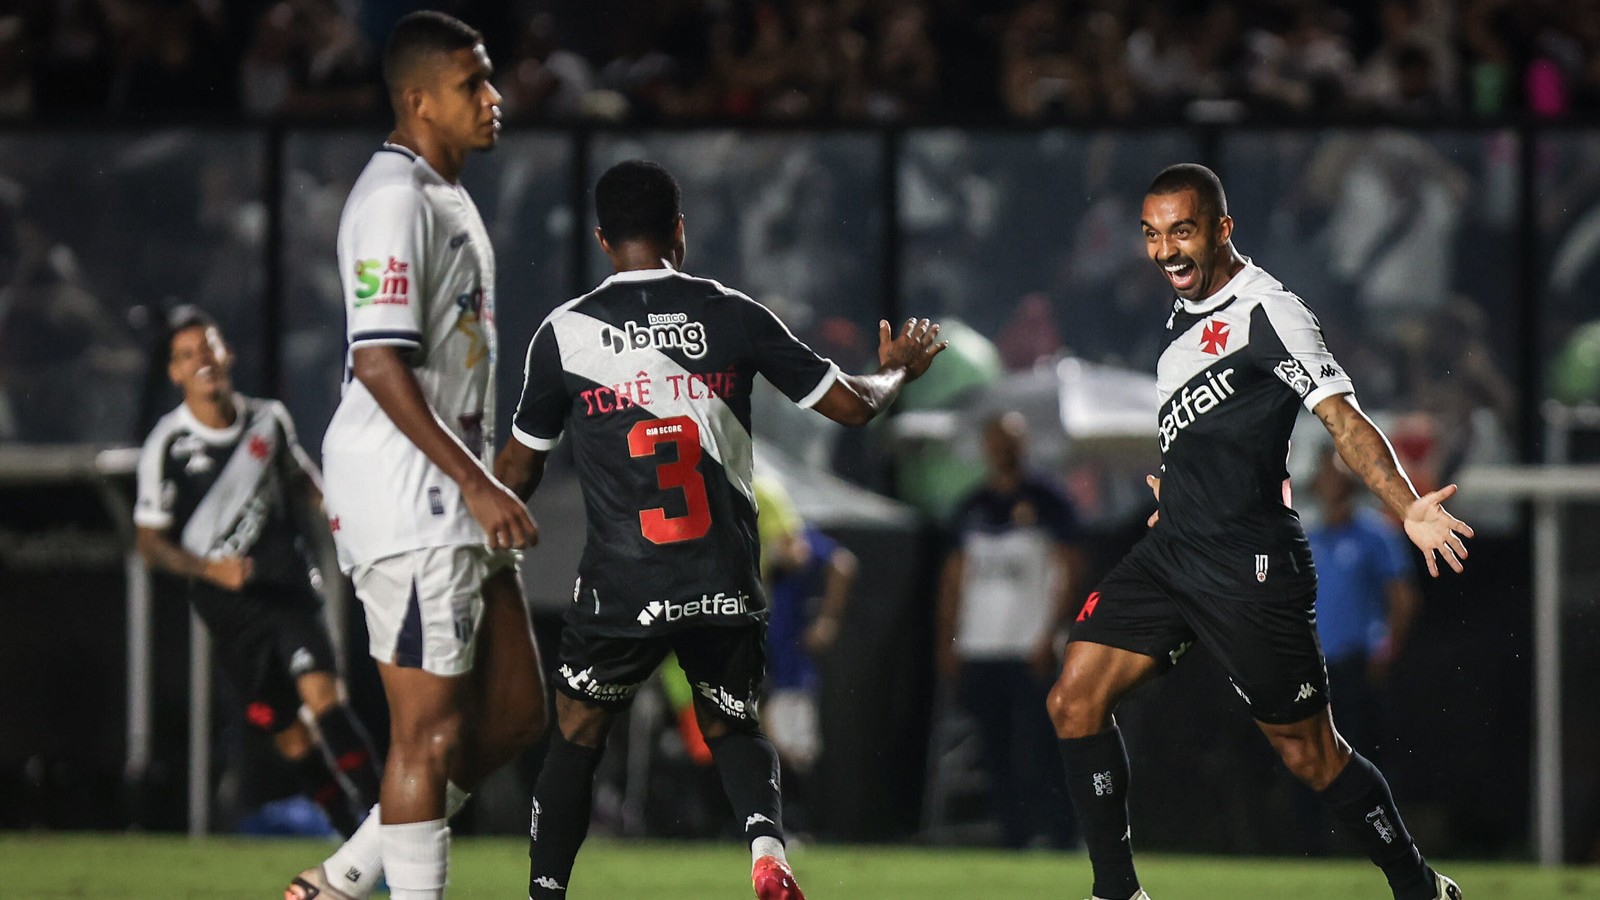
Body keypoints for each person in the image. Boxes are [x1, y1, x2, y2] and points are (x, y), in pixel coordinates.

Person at [494, 159, 946, 900]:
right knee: (733, 724)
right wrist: (897, 371)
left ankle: (547, 892)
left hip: (622, 581)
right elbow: (857, 406)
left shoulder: (564, 334)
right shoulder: (732, 313)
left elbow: (516, 472)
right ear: (679, 230)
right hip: (722, 574)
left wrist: (477, 504)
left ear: (604, 240)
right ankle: (768, 854)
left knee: (576, 735)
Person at [1047, 163, 1470, 900]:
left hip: (1252, 566)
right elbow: (1214, 433)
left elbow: (1341, 418)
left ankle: (1419, 885)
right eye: (1152, 234)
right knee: (1073, 700)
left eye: (1182, 230)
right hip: (1174, 551)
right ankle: (1117, 894)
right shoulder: (1181, 324)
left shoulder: (1269, 310)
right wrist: (1176, 487)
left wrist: (1408, 507)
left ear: (1222, 228)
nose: (1166, 250)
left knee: (1311, 756)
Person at [285, 12, 545, 900]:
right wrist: (476, 484)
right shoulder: (392, 197)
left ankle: (343, 882)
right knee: (424, 736)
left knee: (512, 712)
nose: (493, 96)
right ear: (417, 97)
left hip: (453, 491)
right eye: (474, 83)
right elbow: (377, 358)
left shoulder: (444, 192)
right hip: (410, 494)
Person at [134, 306, 382, 838]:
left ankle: (391, 827)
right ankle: (349, 836)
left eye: (209, 347)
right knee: (292, 737)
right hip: (232, 618)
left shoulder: (268, 420)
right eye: (187, 355)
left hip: (288, 589)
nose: (203, 360)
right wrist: (207, 568)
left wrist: (346, 514)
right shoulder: (167, 447)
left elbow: (302, 482)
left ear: (228, 355)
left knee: (325, 701)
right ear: (175, 373)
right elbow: (149, 542)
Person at [935, 409, 1082, 850]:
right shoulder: (972, 506)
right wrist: (948, 640)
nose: (1004, 449)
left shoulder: (1050, 501)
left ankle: (1060, 832)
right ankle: (1011, 833)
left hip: (1030, 645)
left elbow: (1071, 570)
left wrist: (1052, 633)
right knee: (994, 746)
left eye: (1012, 440)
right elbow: (954, 578)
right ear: (986, 447)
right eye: (997, 441)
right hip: (981, 646)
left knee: (1044, 743)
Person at [1301, 443, 1422, 852]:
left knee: (1360, 756)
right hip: (1316, 670)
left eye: (1336, 472)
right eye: (1324, 472)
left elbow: (1403, 599)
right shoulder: (1309, 538)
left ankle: (1378, 843)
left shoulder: (1375, 533)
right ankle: (1315, 844)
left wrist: (1386, 651)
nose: (1330, 479)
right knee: (1312, 757)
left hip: (1358, 666)